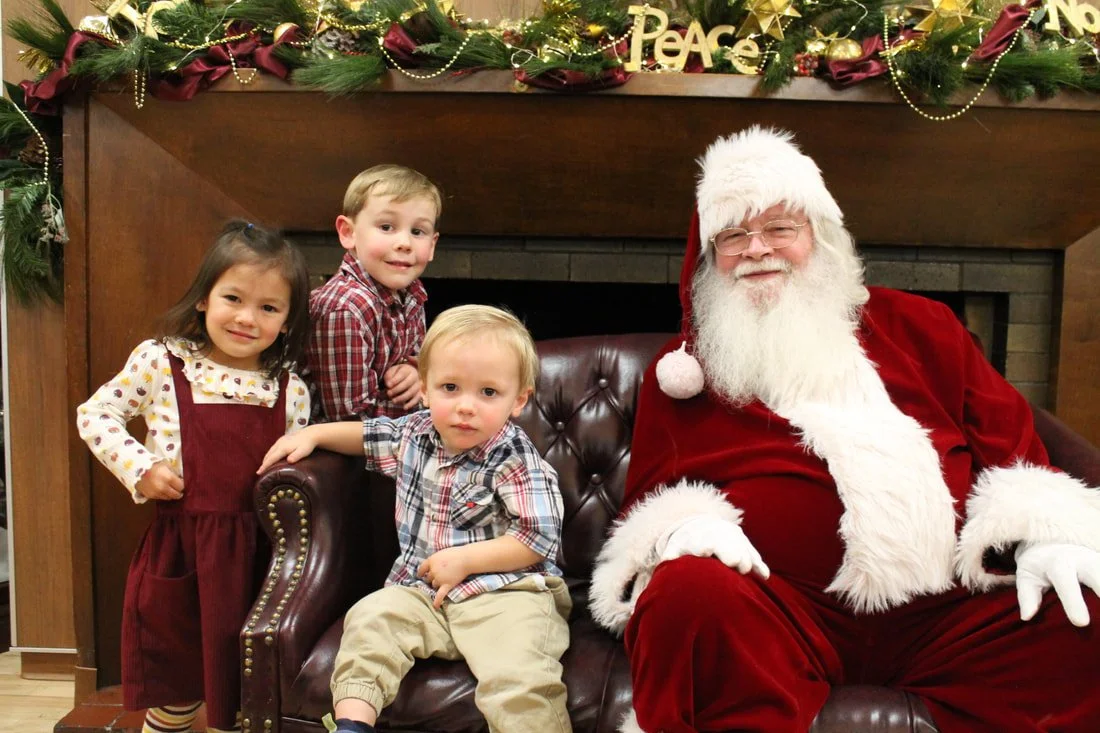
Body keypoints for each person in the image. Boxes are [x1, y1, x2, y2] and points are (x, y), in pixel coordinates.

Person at [589, 126, 1100, 733]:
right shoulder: (685, 372)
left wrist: (1045, 534)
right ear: (710, 258)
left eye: (780, 228)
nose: (757, 249)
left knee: (1083, 611)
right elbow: (649, 501)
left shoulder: (925, 327)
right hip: (782, 615)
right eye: (733, 236)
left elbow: (1014, 449)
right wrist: (686, 527)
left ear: (820, 237)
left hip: (949, 610)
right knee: (684, 594)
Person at [259, 304, 572, 733]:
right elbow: (365, 436)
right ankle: (353, 724)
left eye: (488, 393)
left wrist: (466, 561)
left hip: (505, 593)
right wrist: (313, 432)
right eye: (450, 387)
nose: (465, 407)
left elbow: (537, 539)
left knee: (518, 675)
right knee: (370, 619)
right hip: (422, 592)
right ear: (424, 388)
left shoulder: (515, 458)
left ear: (518, 400)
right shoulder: (415, 433)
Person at [77, 220, 312, 733]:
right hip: (182, 554)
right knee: (177, 687)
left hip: (258, 561)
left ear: (288, 321)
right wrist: (142, 469)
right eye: (233, 298)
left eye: (269, 308)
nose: (248, 318)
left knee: (242, 696)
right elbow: (96, 415)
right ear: (205, 297)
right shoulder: (162, 362)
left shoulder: (289, 389)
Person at [304, 163, 441, 423]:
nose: (404, 243)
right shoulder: (346, 307)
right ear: (348, 233)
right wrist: (428, 409)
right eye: (386, 227)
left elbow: (416, 358)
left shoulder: (412, 294)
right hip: (337, 452)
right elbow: (349, 418)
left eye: (417, 231)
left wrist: (416, 374)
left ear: (432, 245)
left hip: (388, 437)